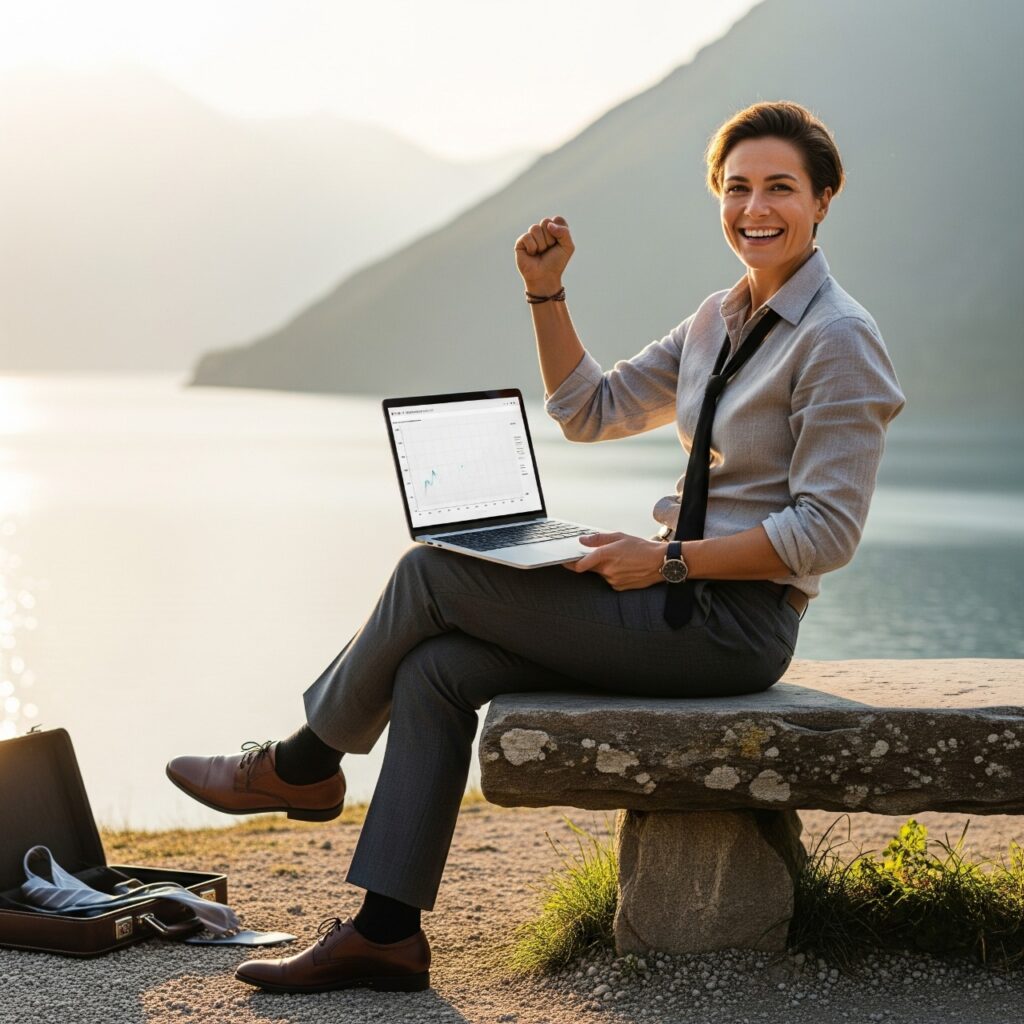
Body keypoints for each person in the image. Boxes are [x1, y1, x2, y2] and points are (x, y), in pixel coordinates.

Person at [166, 100, 906, 995]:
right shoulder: (717, 318)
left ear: (823, 200)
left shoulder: (839, 339)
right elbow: (590, 409)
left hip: (733, 625)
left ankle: (302, 765)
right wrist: (545, 292)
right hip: (670, 599)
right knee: (436, 667)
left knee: (432, 571)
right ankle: (386, 934)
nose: (756, 207)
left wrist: (665, 560)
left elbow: (826, 532)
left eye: (780, 187)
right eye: (737, 187)